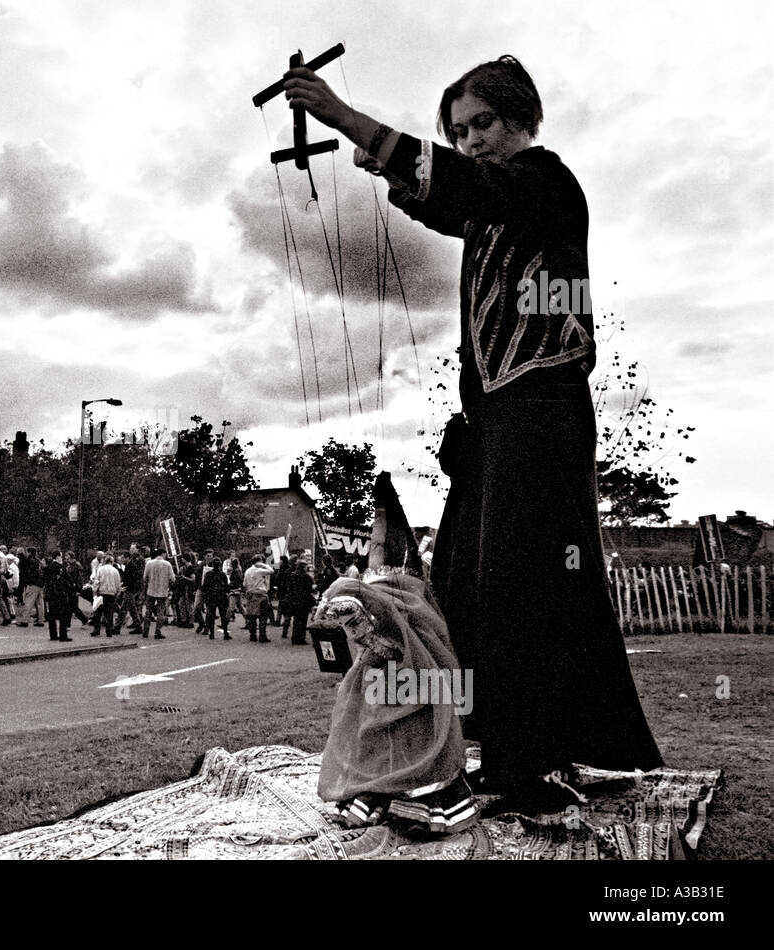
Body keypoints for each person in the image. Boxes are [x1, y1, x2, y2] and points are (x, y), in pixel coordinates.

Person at [286, 53, 662, 797]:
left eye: (483, 123)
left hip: (543, 412)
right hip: (496, 422)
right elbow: (442, 200)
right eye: (458, 132)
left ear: (522, 117)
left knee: (530, 590)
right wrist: (384, 165)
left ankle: (530, 763)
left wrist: (349, 118)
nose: (471, 141)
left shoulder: (545, 184)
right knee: (473, 586)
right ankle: (520, 744)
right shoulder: (495, 212)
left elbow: (467, 188)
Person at [315, 573, 477, 834]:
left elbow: (394, 641)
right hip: (384, 658)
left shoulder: (401, 614)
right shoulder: (378, 602)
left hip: (403, 658)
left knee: (412, 729)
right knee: (374, 727)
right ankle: (378, 795)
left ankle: (415, 802)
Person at [140, 548, 173, 640]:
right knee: (160, 612)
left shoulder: (149, 563)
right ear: (163, 554)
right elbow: (172, 578)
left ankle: (145, 631)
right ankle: (157, 631)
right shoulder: (167, 564)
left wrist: (149, 583)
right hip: (162, 591)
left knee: (148, 611)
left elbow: (145, 577)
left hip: (151, 590)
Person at [282, 560, 315, 646]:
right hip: (303, 601)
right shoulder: (306, 577)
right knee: (303, 620)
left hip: (293, 601)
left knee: (296, 620)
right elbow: (311, 588)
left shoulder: (292, 575)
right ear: (303, 567)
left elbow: (288, 588)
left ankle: (294, 637)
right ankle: (301, 638)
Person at [42, 551, 74, 643]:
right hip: (60, 594)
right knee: (63, 615)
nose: (62, 558)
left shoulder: (48, 567)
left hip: (51, 594)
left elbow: (45, 580)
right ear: (58, 556)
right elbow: (68, 579)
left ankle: (53, 635)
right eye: (61, 556)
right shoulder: (60, 567)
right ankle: (63, 635)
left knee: (52, 616)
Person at [242, 555, 274, 643]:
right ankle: (262, 635)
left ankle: (252, 635)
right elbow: (271, 571)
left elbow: (244, 584)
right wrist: (265, 565)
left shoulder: (247, 571)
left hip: (251, 594)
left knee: (252, 616)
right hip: (261, 594)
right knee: (263, 616)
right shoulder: (260, 571)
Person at [90, 554, 122, 637]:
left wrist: (95, 591)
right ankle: (109, 631)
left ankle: (96, 630)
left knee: (98, 612)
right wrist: (118, 593)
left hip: (101, 593)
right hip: (111, 594)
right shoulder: (115, 571)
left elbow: (97, 581)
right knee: (109, 613)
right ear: (112, 562)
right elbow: (118, 583)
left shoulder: (100, 569)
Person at [200, 555, 231, 640]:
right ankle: (225, 633)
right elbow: (227, 586)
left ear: (212, 565)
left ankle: (212, 633)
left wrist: (205, 596)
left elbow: (204, 586)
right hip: (221, 597)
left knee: (211, 615)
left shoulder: (208, 574)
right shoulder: (223, 575)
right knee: (223, 616)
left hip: (211, 597)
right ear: (220, 565)